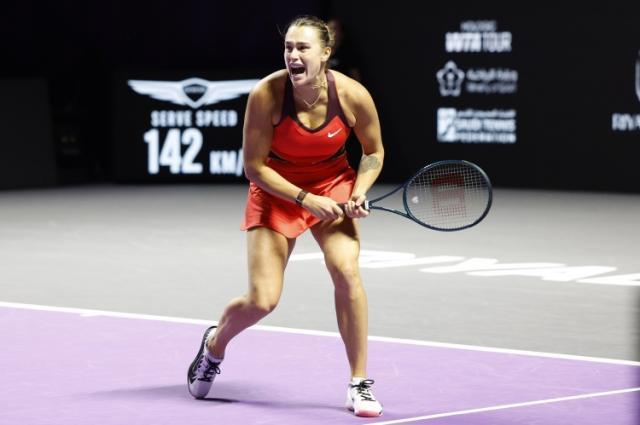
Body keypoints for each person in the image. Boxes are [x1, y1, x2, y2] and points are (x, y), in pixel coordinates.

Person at [187, 15, 385, 417]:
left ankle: (358, 383)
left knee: (346, 271)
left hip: (332, 183)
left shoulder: (352, 95)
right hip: (277, 190)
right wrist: (304, 198)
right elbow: (254, 167)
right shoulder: (267, 94)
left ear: (325, 53)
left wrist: (359, 192)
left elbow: (373, 152)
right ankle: (214, 345)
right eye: (288, 47)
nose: (293, 55)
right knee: (263, 300)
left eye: (303, 48)